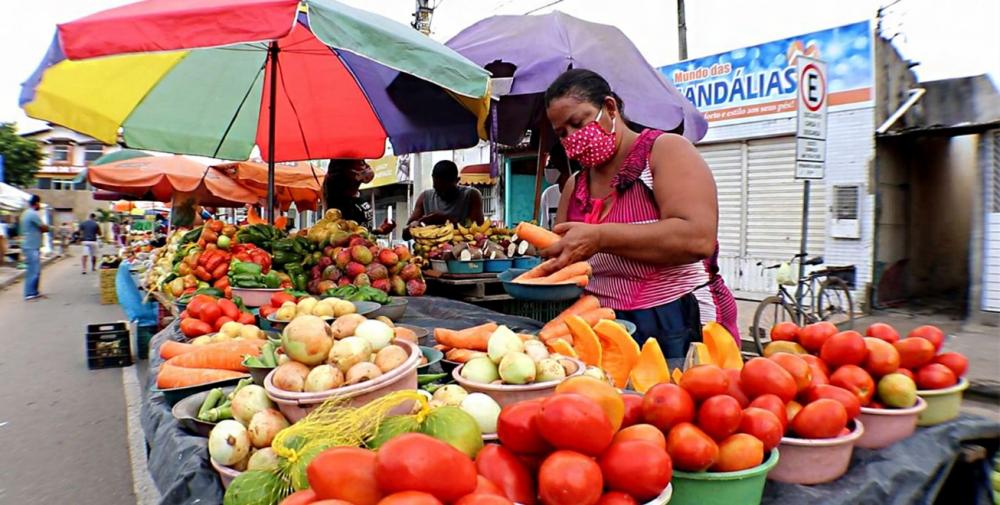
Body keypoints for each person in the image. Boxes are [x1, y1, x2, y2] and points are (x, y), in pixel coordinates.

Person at [540, 68, 739, 358]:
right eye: (562, 133)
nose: (572, 137)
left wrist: (599, 237)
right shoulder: (575, 186)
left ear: (609, 108)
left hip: (679, 319)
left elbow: (697, 238)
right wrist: (546, 259)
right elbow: (566, 263)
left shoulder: (665, 151)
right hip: (602, 325)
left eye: (577, 122)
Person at [406, 160, 484, 230]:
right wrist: (418, 223)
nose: (442, 193)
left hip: (463, 245)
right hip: (430, 245)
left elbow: (477, 230)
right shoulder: (425, 197)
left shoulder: (471, 196)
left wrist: (445, 220)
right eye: (437, 188)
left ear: (457, 181)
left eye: (446, 189)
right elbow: (405, 234)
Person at [323, 159, 395, 235]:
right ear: (348, 172)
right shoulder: (340, 205)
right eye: (360, 163)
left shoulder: (357, 195)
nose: (366, 166)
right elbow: (348, 237)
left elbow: (363, 233)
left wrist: (380, 230)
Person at [539, 144, 576, 230]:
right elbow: (545, 228)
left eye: (552, 164)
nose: (548, 168)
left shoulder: (581, 195)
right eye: (548, 164)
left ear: (565, 166)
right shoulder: (547, 195)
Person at [19, 194, 49, 300]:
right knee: (34, 270)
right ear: (36, 203)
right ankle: (30, 293)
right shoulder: (32, 214)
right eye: (39, 203)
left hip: (30, 245)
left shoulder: (26, 213)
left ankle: (34, 292)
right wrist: (48, 227)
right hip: (31, 246)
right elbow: (44, 228)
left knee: (34, 269)